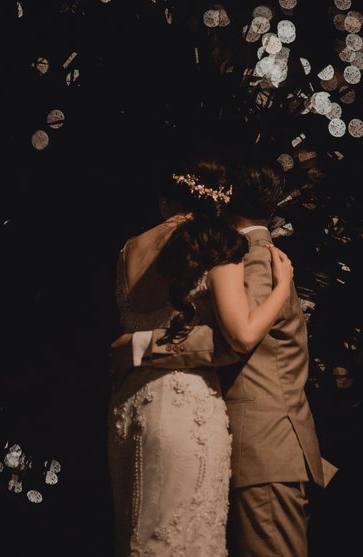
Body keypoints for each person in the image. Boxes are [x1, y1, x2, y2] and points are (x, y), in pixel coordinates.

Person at [112, 150, 337, 557]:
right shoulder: (241, 251)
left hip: (262, 447)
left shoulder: (254, 257)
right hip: (239, 441)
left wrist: (143, 345)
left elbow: (237, 338)